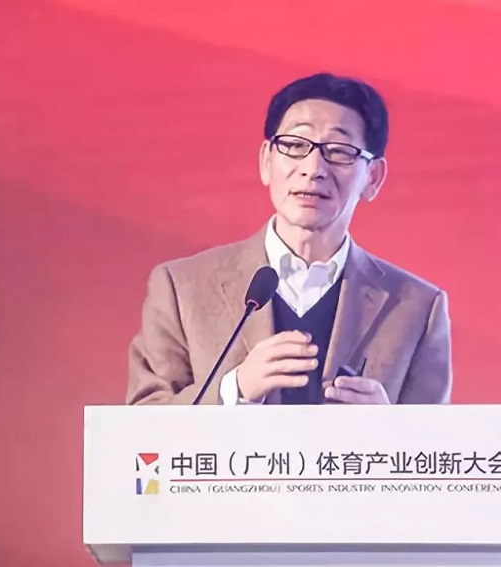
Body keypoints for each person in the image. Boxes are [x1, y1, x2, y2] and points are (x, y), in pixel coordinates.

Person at [125, 72, 452, 406]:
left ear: (373, 177)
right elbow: (141, 421)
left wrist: (391, 427)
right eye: (295, 146)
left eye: (339, 151)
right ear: (266, 161)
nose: (313, 168)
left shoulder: (417, 308)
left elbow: (440, 436)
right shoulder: (182, 288)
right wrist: (234, 390)